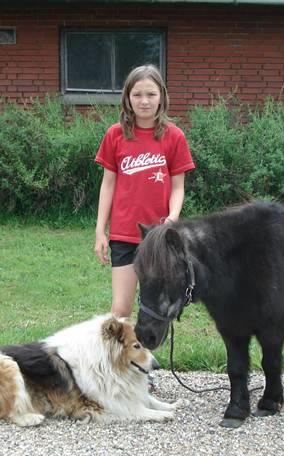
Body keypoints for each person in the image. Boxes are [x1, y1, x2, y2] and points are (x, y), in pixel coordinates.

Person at [94, 64, 195, 318]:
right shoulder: (115, 135)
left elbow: (178, 187)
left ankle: (142, 358)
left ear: (162, 96)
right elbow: (108, 185)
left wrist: (171, 220)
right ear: (127, 97)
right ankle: (116, 358)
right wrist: (100, 230)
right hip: (124, 234)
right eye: (137, 94)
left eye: (151, 94)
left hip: (158, 237)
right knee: (121, 310)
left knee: (154, 310)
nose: (144, 101)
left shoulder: (174, 136)